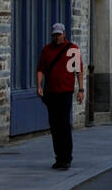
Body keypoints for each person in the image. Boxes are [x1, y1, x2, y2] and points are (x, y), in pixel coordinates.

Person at [36, 22, 84, 170]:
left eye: (59, 34)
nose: (57, 37)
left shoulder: (72, 49)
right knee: (55, 126)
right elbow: (41, 69)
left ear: (64, 34)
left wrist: (81, 89)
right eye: (55, 34)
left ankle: (66, 157)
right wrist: (39, 86)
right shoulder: (47, 50)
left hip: (65, 91)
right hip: (51, 92)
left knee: (64, 124)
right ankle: (58, 157)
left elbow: (78, 71)